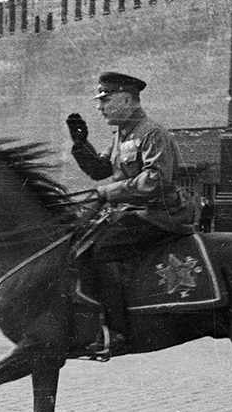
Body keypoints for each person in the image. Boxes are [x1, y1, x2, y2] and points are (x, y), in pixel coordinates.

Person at [67, 71, 194, 357]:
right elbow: (101, 170)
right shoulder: (122, 135)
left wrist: (108, 193)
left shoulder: (152, 132)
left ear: (127, 99)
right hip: (131, 211)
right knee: (81, 241)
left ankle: (119, 332)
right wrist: (81, 144)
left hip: (159, 214)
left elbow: (156, 180)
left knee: (102, 250)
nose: (100, 107)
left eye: (105, 100)